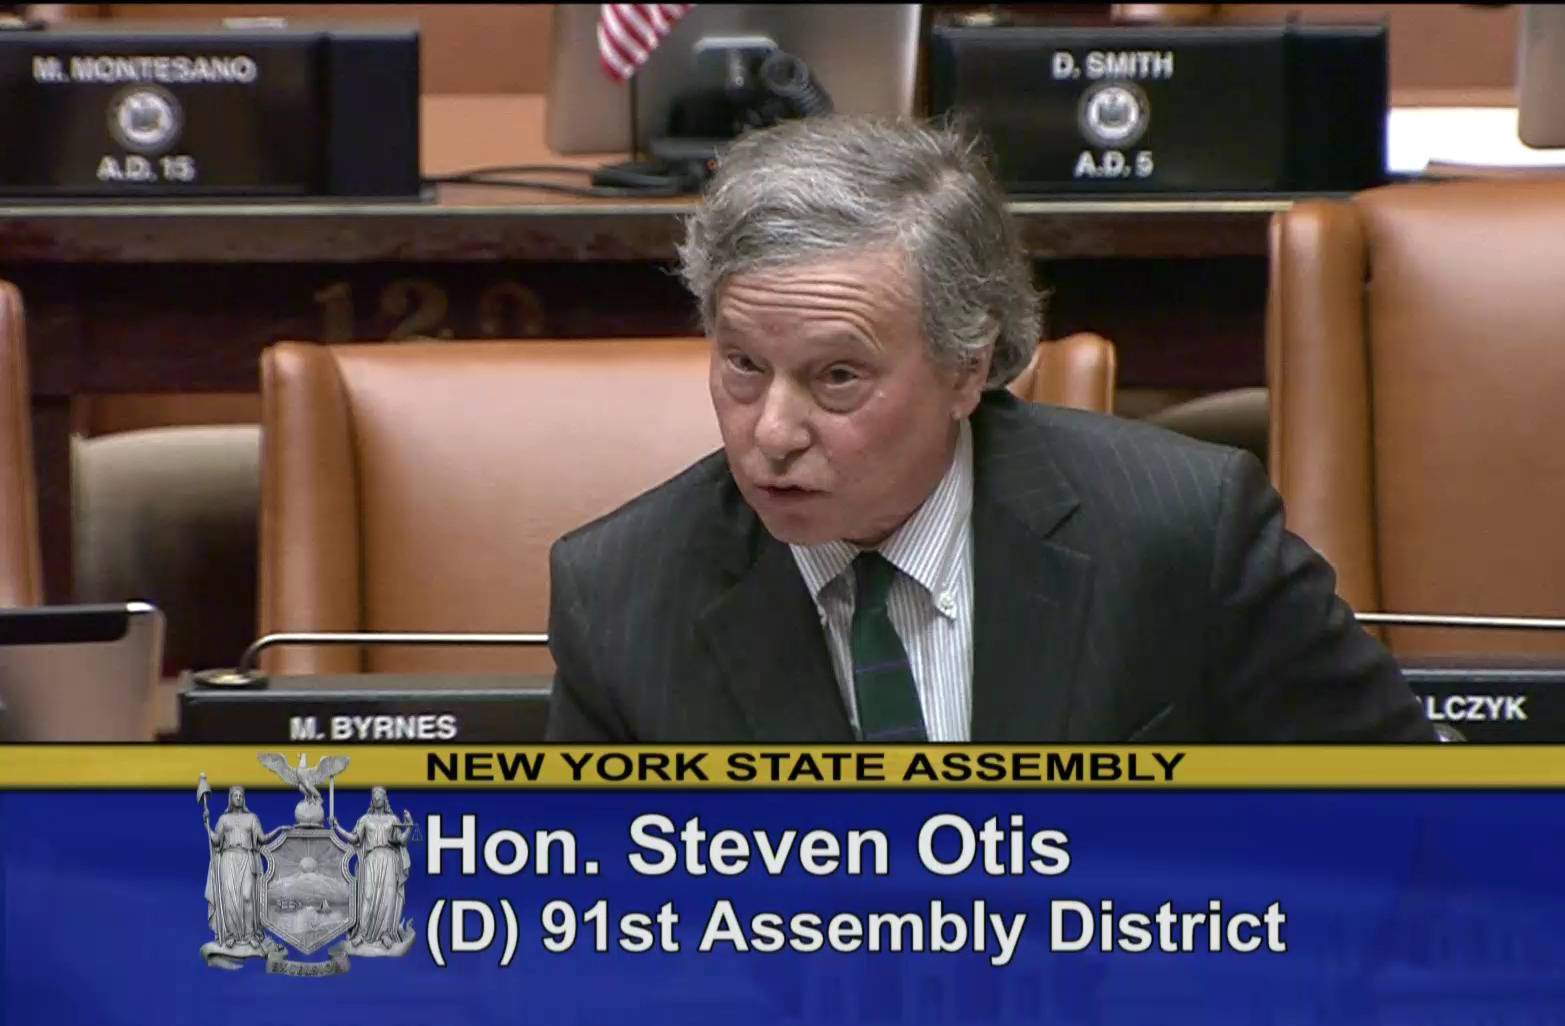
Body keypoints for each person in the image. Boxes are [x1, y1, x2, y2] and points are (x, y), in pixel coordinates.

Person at [545, 115, 1432, 744]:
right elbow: (594, 920)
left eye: (838, 377)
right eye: (743, 364)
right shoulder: (621, 597)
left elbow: (1414, 828)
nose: (773, 432)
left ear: (968, 369)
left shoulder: (1184, 532)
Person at [333, 787, 414, 955]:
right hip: (371, 859)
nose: (377, 798)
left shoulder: (393, 819)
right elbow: (355, 838)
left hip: (389, 859)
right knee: (367, 896)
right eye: (374, 796)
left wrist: (409, 826)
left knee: (388, 897)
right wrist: (338, 827)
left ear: (385, 799)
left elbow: (401, 841)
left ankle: (386, 934)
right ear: (372, 799)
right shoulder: (365, 819)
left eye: (380, 796)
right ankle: (361, 934)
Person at [203, 786, 268, 952]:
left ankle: (250, 934)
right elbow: (217, 841)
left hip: (246, 857)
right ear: (230, 799)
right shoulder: (224, 819)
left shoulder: (252, 818)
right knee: (229, 898)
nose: (238, 798)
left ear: (244, 799)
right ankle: (230, 935)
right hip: (228, 858)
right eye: (235, 795)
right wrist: (207, 825)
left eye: (241, 795)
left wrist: (279, 831)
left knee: (247, 896)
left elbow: (262, 838)